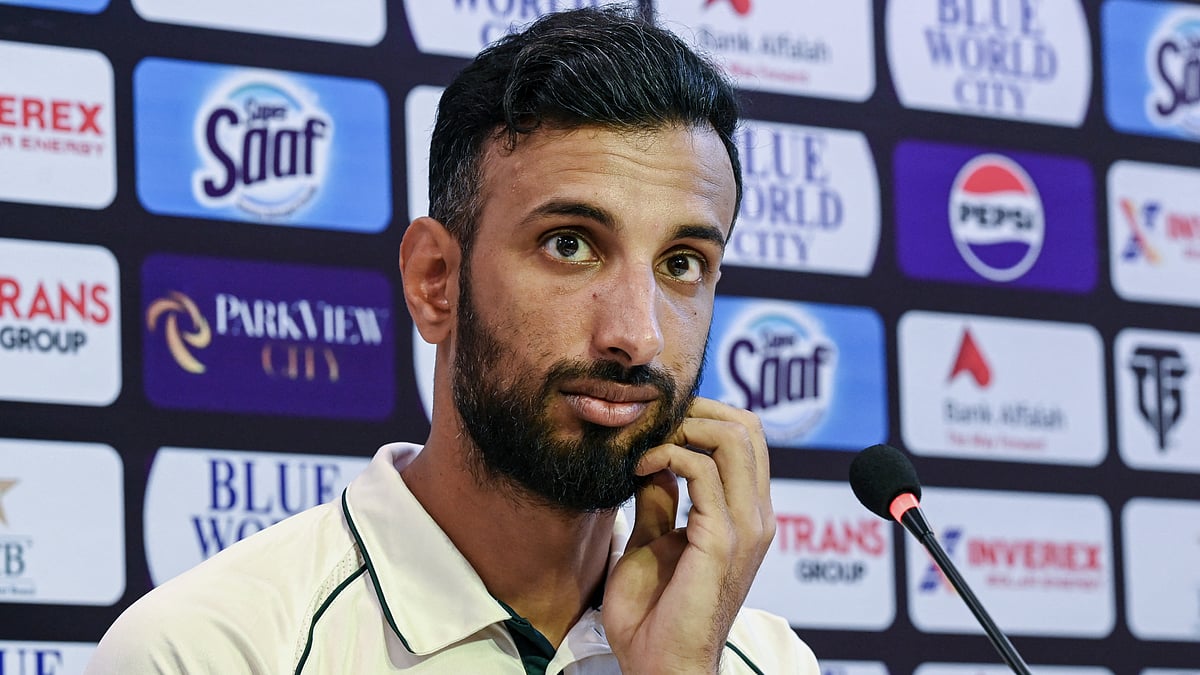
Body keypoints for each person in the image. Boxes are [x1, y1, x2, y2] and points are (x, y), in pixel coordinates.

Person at [87, 6, 820, 674]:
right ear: (435, 280)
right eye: (570, 245)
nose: (636, 333)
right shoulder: (209, 652)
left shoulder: (764, 662)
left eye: (682, 263)